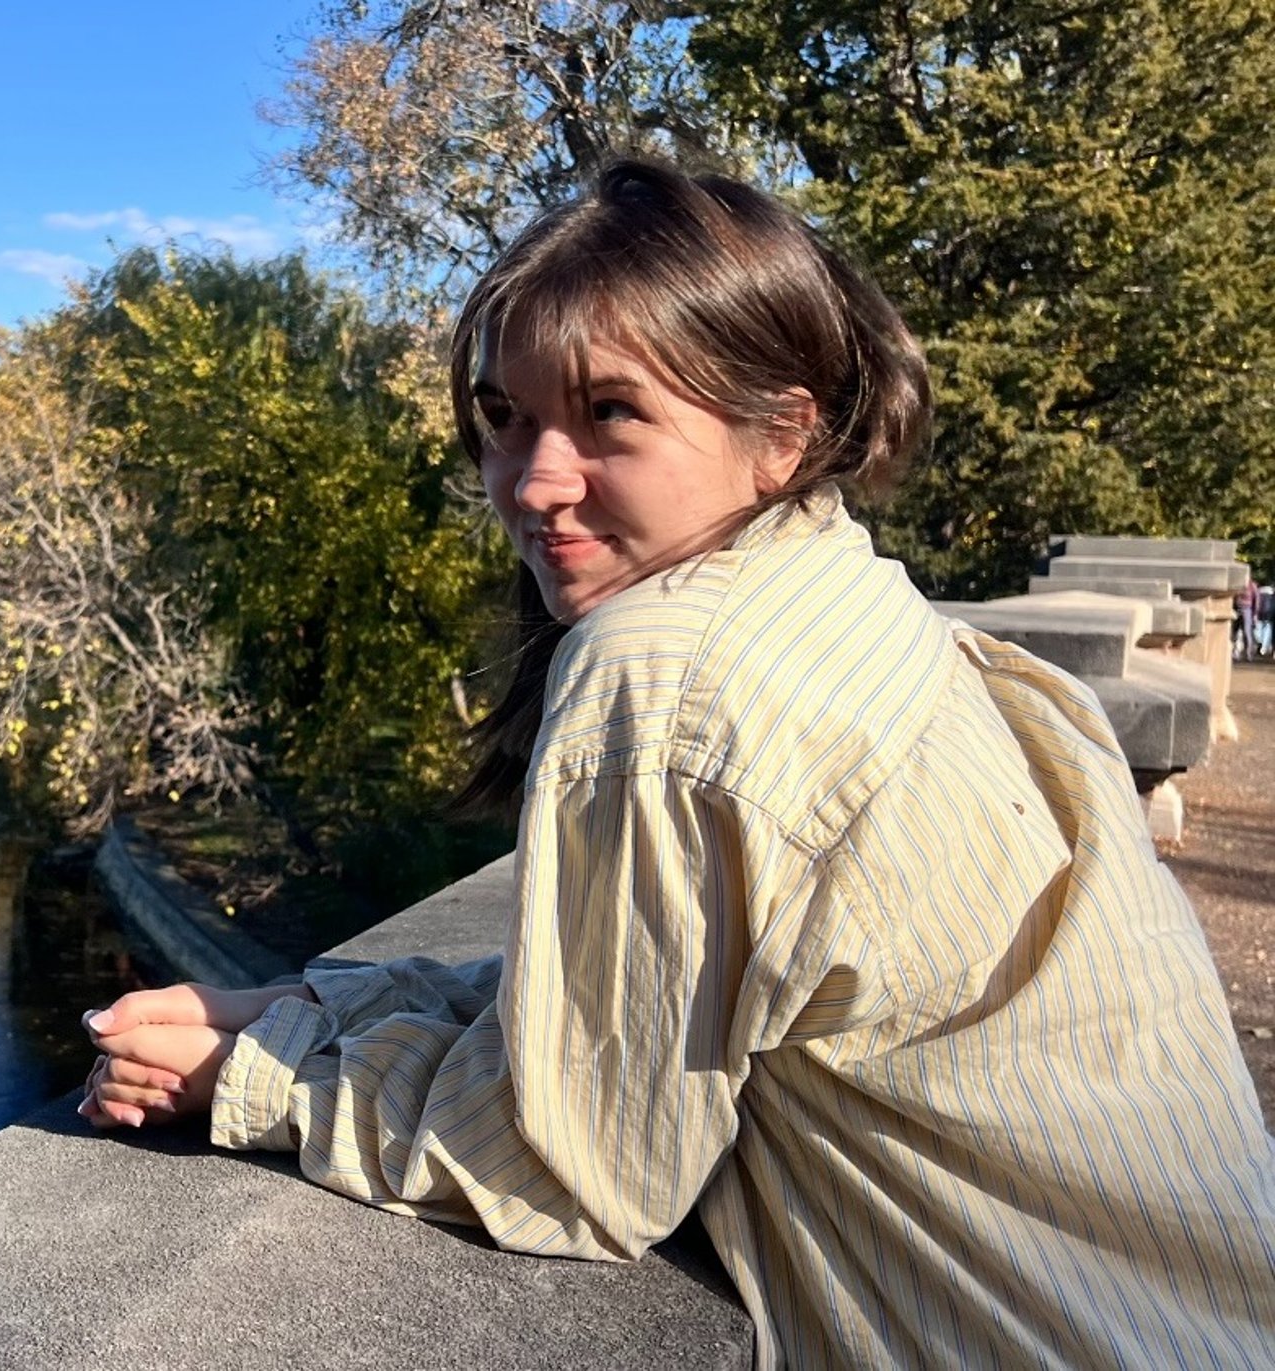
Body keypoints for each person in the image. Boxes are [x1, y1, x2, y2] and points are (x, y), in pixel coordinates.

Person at [78, 160, 1275, 1368]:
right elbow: (653, 985)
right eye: (504, 416)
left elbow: (574, 1168)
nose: (532, 480)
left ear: (780, 436)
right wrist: (320, 1004)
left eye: (611, 413)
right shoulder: (849, 600)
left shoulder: (665, 673)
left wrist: (259, 1077)